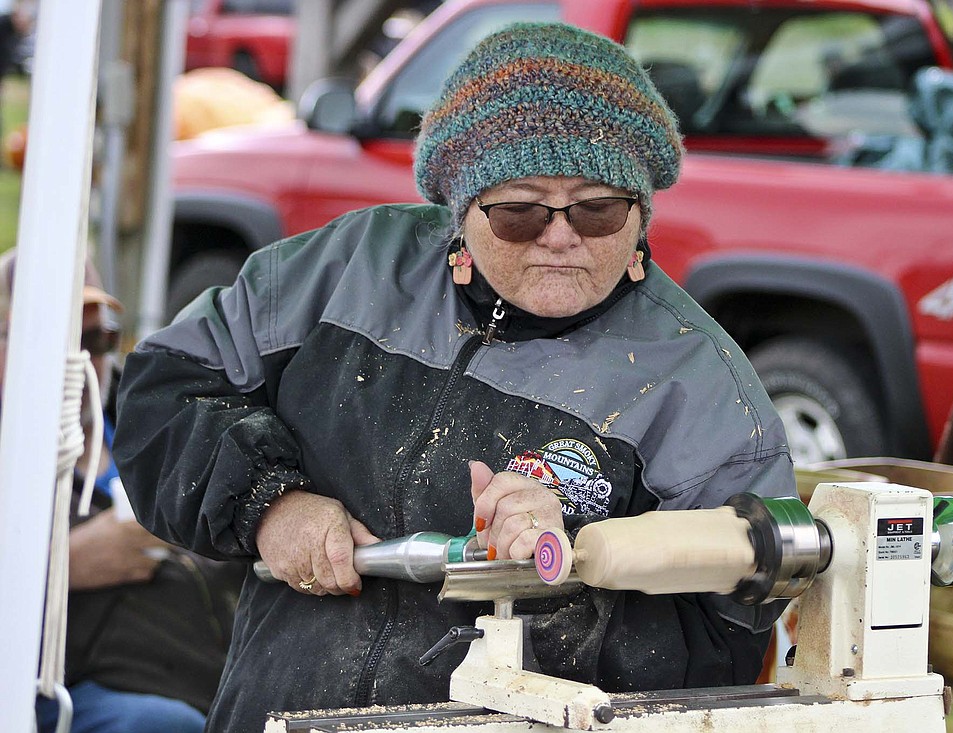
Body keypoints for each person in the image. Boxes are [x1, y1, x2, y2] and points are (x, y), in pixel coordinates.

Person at [114, 22, 796, 733]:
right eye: (520, 211)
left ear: (641, 212)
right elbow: (165, 388)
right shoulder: (345, 270)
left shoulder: (701, 388)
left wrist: (556, 590)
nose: (561, 236)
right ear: (462, 212)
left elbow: (726, 644)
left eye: (598, 207)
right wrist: (268, 503)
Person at [0, 250, 245, 733]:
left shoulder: (144, 443)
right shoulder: (14, 457)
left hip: (206, 676)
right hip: (72, 689)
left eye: (98, 337)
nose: (83, 359)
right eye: (55, 337)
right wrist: (59, 566)